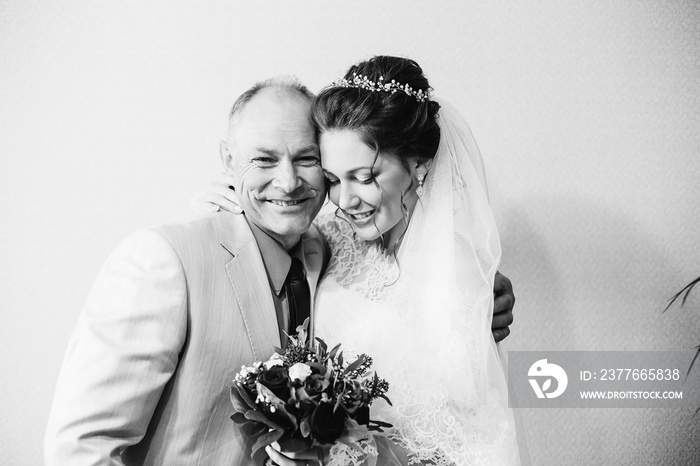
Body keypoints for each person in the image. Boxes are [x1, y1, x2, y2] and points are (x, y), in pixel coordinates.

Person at [203, 57, 524, 465]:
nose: (345, 201)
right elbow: (276, 221)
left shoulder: (458, 273)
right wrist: (229, 211)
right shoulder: (334, 239)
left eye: (366, 177)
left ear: (418, 166)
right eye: (334, 180)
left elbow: (471, 439)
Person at [45, 79, 330, 465]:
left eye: (306, 158)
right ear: (229, 161)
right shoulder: (161, 259)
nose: (288, 181)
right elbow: (81, 447)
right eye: (264, 159)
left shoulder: (323, 253)